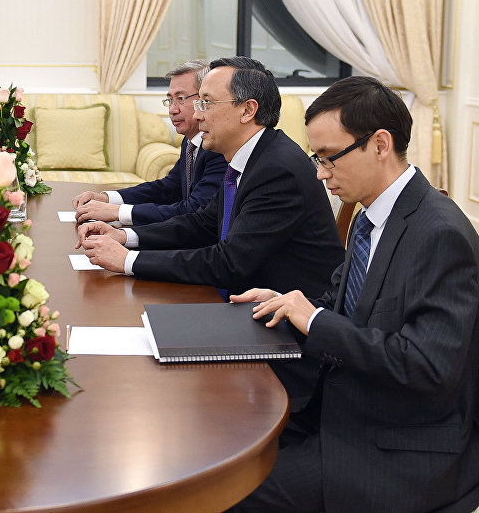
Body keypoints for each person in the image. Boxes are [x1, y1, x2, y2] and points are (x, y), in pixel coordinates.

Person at [229, 76, 479, 512]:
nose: (321, 173)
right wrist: (287, 304)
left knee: (226, 493)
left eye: (329, 157)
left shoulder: (439, 234)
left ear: (380, 144)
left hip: (398, 446)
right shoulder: (370, 217)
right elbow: (346, 307)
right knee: (224, 443)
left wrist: (315, 321)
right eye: (317, 158)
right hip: (344, 412)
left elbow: (428, 367)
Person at [77, 56, 344, 298]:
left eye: (206, 103)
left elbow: (229, 263)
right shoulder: (249, 156)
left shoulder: (277, 169)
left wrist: (127, 260)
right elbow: (202, 224)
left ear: (247, 110)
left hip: (286, 317)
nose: (197, 114)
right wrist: (124, 237)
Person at [71, 59, 226, 225]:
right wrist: (107, 198)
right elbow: (168, 188)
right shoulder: (190, 143)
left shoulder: (218, 148)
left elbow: (194, 211)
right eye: (170, 100)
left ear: (204, 99)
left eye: (181, 98)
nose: (172, 110)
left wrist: (118, 212)